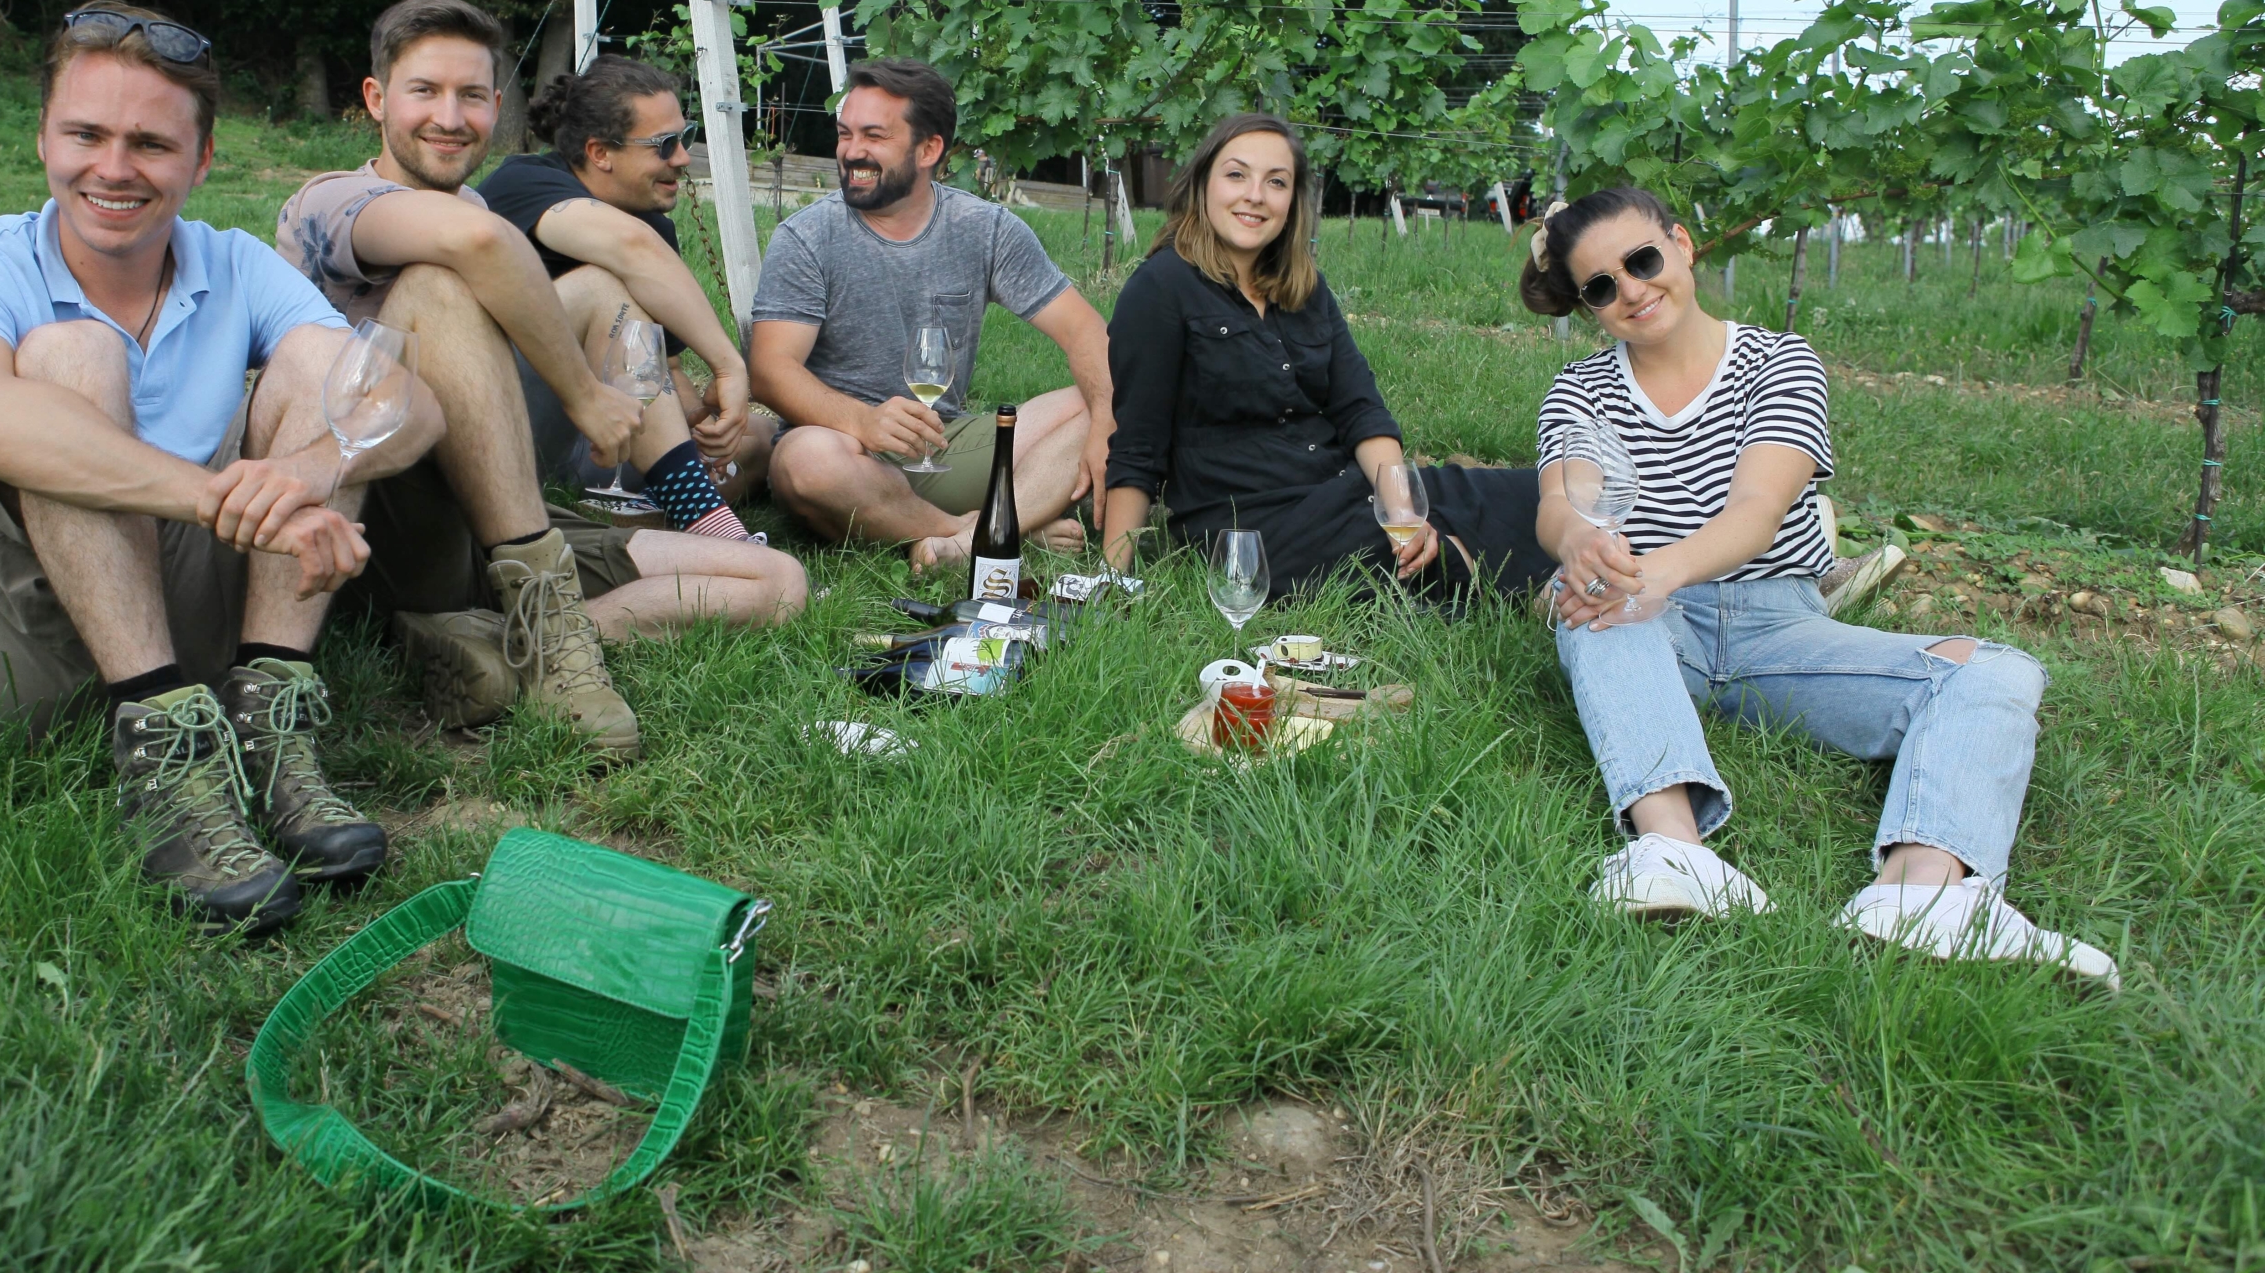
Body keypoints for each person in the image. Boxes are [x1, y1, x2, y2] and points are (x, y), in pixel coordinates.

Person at [0, 0, 444, 936]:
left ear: (202, 160)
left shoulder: (233, 264)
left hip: (181, 586)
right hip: (16, 627)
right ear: (41, 139)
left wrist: (314, 467)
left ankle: (263, 727)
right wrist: (222, 494)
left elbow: (410, 404)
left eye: (151, 143)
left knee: (329, 374)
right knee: (73, 356)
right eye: (86, 134)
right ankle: (161, 739)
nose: (113, 167)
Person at [1525, 186, 2114, 983]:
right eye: (1601, 285)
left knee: (1994, 670)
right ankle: (1673, 851)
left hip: (1782, 625)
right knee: (1591, 608)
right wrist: (1587, 547)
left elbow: (1756, 514)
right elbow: (1561, 504)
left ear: (1683, 244)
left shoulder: (1779, 362)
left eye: (1642, 260)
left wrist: (1655, 572)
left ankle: (1921, 890)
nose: (1631, 289)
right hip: (1647, 627)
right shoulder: (1581, 391)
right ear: (1588, 305)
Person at [275, 0, 807, 756]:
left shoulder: (481, 201)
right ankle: (545, 639)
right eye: (424, 91)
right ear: (376, 99)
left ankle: (513, 637)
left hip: (501, 516)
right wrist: (587, 396)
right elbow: (479, 242)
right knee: (443, 284)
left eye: (470, 96)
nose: (449, 117)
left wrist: (703, 384)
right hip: (388, 523)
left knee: (774, 580)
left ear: (498, 104)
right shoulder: (333, 200)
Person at [1101, 113, 1551, 602]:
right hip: (1256, 528)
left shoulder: (1303, 286)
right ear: (1203, 183)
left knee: (1533, 496)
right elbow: (1137, 449)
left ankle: (1545, 571)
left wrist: (1401, 512)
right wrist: (1111, 580)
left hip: (1343, 487)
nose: (1255, 194)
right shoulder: (1160, 289)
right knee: (1405, 555)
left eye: (1276, 182)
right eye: (1236, 175)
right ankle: (1529, 590)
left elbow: (1360, 410)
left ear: (1292, 202)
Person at [750, 57, 1114, 571]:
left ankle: (962, 543)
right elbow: (769, 370)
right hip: (846, 450)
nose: (852, 151)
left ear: (929, 149)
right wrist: (862, 420)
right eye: (845, 133)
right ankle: (986, 533)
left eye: (874, 136)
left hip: (942, 443)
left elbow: (1084, 331)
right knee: (804, 462)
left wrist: (1105, 417)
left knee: (1102, 396)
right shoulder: (808, 237)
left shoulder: (984, 228)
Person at [478, 52, 778, 507]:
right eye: (663, 145)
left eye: (685, 137)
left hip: (600, 437)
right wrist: (729, 366)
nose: (682, 158)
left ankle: (664, 510)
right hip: (502, 425)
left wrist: (702, 421)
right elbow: (629, 248)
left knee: (758, 435)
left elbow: (666, 368)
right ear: (599, 153)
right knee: (600, 286)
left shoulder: (653, 226)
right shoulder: (526, 182)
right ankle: (694, 513)